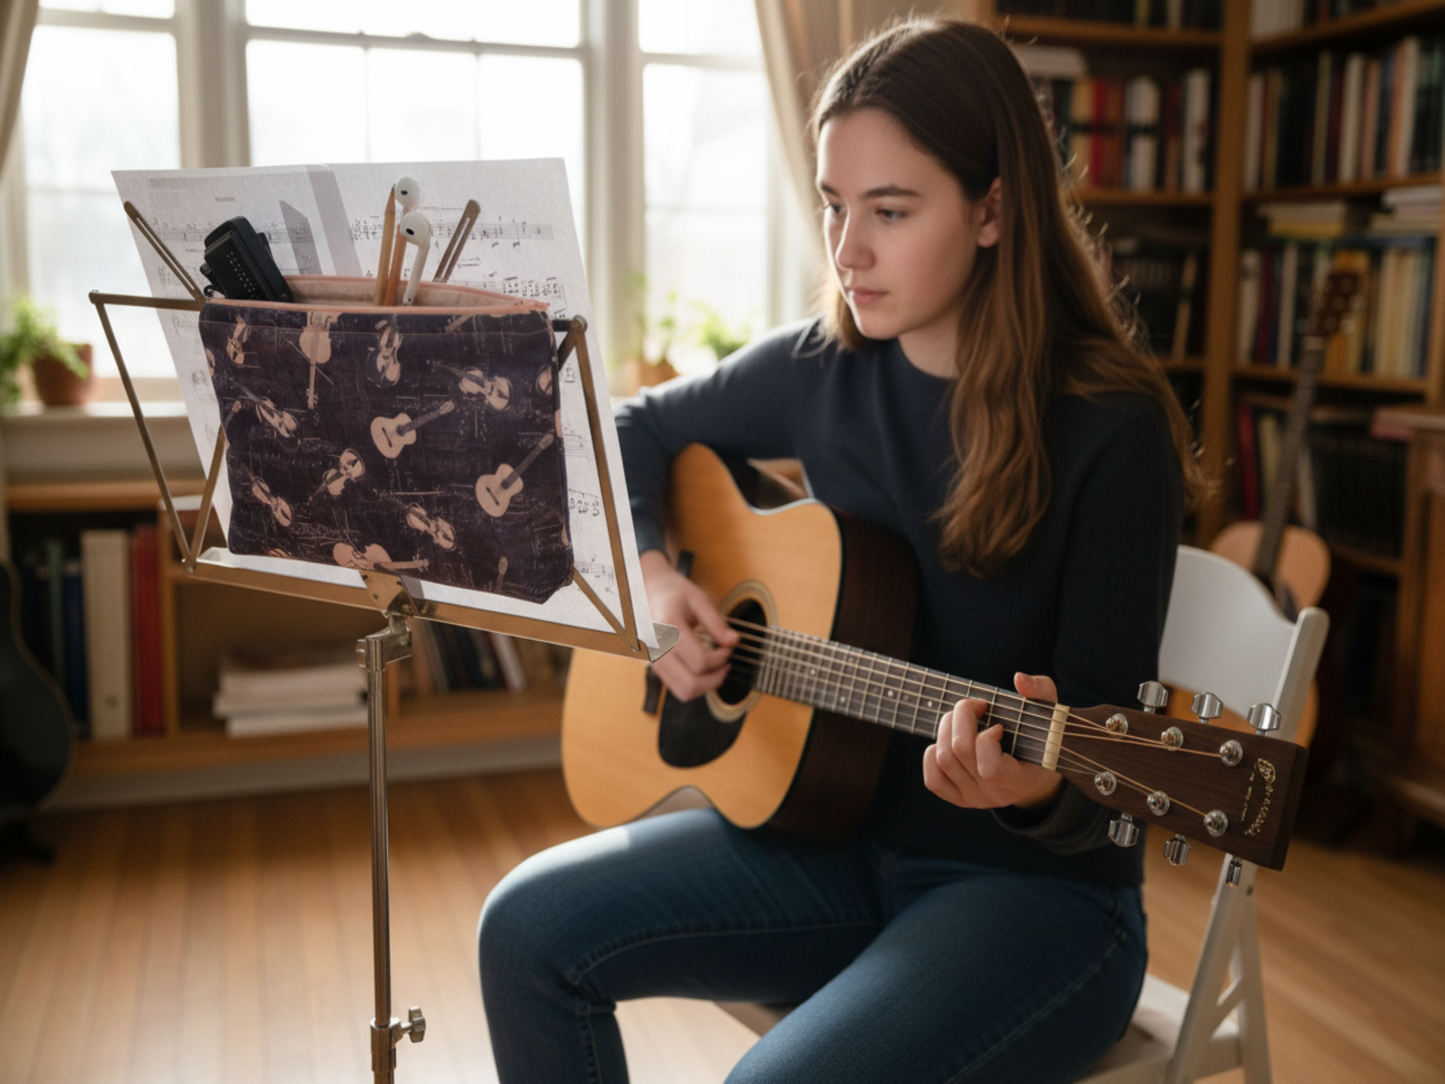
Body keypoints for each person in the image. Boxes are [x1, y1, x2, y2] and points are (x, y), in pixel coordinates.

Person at [478, 17, 1202, 1083]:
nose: (846, 250)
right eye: (831, 206)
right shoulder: (824, 366)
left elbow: (1101, 765)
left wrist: (1024, 787)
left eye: (890, 211)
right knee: (523, 931)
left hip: (1034, 901)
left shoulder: (1109, 427)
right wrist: (652, 574)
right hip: (831, 842)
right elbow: (627, 426)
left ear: (994, 208)